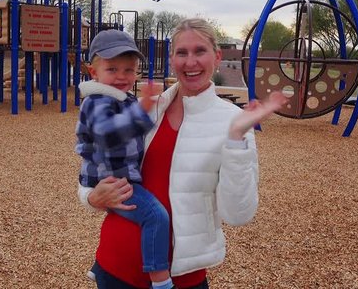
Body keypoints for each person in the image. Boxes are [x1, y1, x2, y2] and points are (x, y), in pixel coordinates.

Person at [78, 18, 288, 289]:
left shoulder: (234, 123)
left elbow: (238, 214)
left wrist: (236, 139)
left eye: (200, 51)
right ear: (172, 59)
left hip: (181, 279)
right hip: (114, 264)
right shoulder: (149, 108)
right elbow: (96, 160)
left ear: (217, 57)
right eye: (182, 53)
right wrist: (91, 197)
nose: (190, 62)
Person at [76, 29, 174, 289]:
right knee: (156, 216)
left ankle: (102, 268)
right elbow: (108, 134)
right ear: (92, 71)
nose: (121, 76)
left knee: (138, 218)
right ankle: (161, 281)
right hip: (112, 180)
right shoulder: (96, 101)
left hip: (122, 175)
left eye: (129, 70)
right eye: (112, 69)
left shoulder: (122, 98)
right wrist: (141, 112)